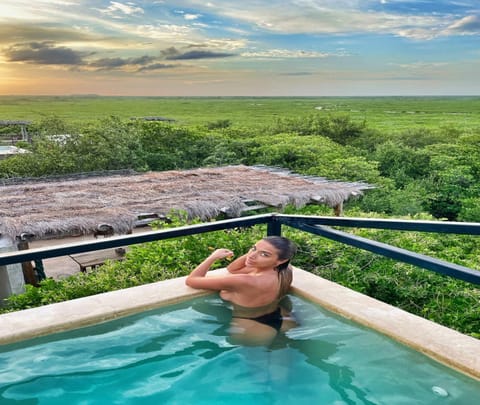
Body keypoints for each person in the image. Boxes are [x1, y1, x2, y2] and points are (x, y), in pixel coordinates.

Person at [186, 236, 297, 345]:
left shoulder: (244, 281)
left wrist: (213, 257)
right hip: (283, 318)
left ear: (281, 260)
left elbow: (191, 280)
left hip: (251, 327)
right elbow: (233, 269)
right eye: (253, 248)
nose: (252, 255)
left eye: (264, 254)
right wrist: (256, 253)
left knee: (250, 362)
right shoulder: (286, 270)